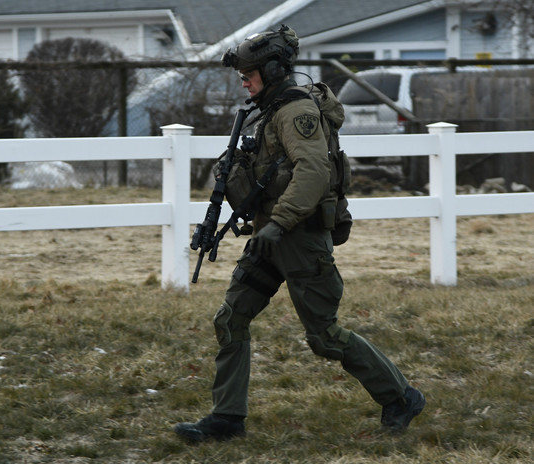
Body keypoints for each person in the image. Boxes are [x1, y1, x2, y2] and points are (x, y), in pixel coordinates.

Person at [175, 25, 425, 443]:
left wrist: (277, 224)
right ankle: (227, 419)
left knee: (325, 337)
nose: (243, 79)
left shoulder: (296, 113)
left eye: (250, 72)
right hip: (271, 237)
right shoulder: (270, 110)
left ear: (272, 69)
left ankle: (402, 397)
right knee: (231, 319)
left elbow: (313, 172)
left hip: (298, 238)